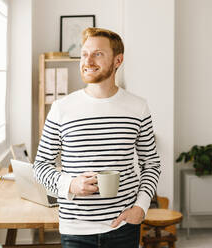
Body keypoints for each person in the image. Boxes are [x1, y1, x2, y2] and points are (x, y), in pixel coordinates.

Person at [33, 27, 161, 248]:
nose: (88, 60)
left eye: (98, 54)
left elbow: (151, 163)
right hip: (75, 231)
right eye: (84, 54)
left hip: (124, 227)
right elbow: (41, 167)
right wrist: (70, 184)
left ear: (117, 60)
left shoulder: (138, 107)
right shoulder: (61, 108)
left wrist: (141, 207)